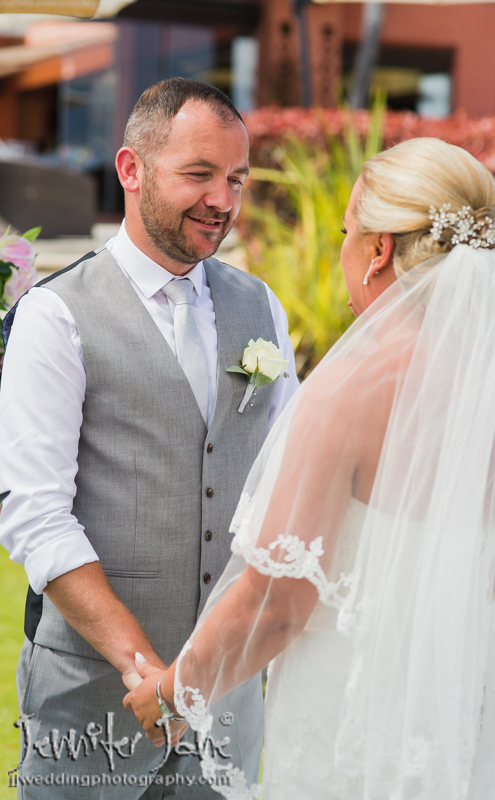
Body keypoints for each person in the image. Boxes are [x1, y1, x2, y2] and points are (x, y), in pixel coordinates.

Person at [124, 137, 495, 800]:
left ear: (377, 252)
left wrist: (170, 693)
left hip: (351, 718)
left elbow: (278, 600)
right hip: (461, 717)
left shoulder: (350, 390)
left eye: (347, 235)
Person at [0, 78, 298, 799]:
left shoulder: (259, 304)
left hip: (225, 704)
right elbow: (34, 514)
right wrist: (145, 670)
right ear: (131, 170)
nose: (222, 201)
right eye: (198, 174)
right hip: (93, 702)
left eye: (234, 179)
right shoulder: (55, 316)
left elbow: (287, 484)